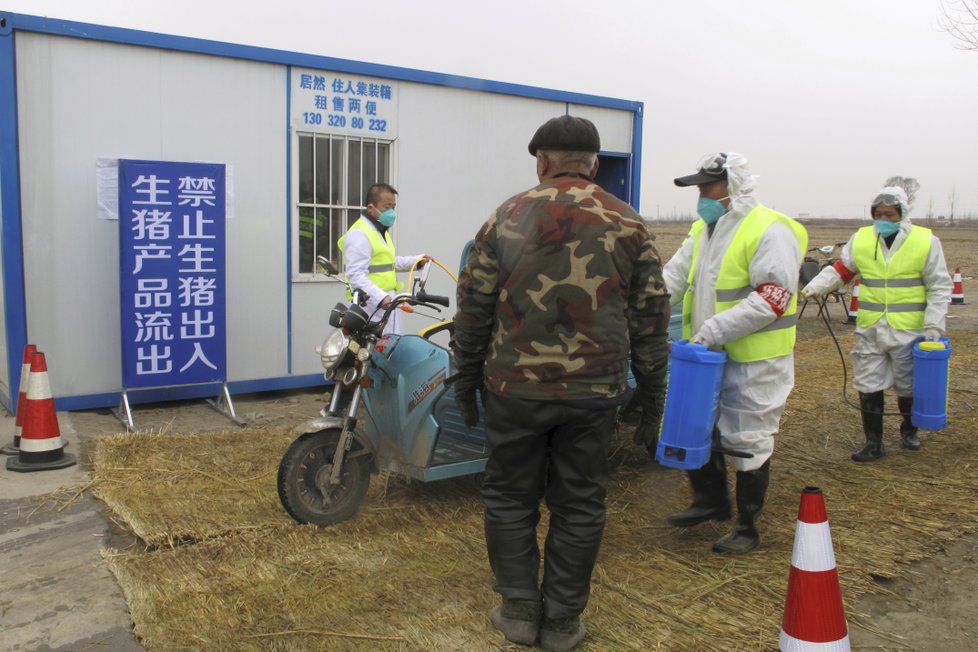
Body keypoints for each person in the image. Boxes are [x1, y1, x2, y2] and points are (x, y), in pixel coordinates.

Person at [451, 115, 670, 651]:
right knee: (579, 503)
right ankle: (564, 621)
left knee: (508, 497)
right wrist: (654, 396)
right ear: (594, 164)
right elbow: (651, 319)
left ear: (541, 161)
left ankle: (521, 612)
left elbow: (473, 306)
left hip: (514, 391)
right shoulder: (628, 222)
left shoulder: (507, 216)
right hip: (593, 395)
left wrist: (464, 376)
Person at [662, 152, 807, 554]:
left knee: (748, 437)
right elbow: (672, 278)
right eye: (699, 188)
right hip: (707, 358)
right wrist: (643, 309)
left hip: (755, 359)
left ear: (734, 186)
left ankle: (747, 526)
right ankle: (711, 501)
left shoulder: (770, 231)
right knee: (700, 426)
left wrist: (713, 330)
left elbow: (773, 298)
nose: (701, 195)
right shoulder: (703, 229)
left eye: (709, 187)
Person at [801, 178, 952, 461]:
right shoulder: (862, 239)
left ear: (902, 214)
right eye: (878, 215)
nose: (882, 220)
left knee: (908, 385)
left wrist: (933, 324)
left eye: (889, 215)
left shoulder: (925, 241)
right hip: (870, 327)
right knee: (868, 382)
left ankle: (909, 430)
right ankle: (874, 442)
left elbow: (939, 285)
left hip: (909, 329)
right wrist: (815, 287)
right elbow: (842, 270)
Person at [337, 183, 430, 335]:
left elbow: (389, 263)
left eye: (393, 207)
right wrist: (381, 297)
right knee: (374, 353)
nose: (392, 212)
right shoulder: (360, 234)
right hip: (371, 307)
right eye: (387, 207)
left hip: (387, 305)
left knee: (392, 350)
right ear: (370, 208)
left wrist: (417, 261)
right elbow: (356, 275)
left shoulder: (379, 231)